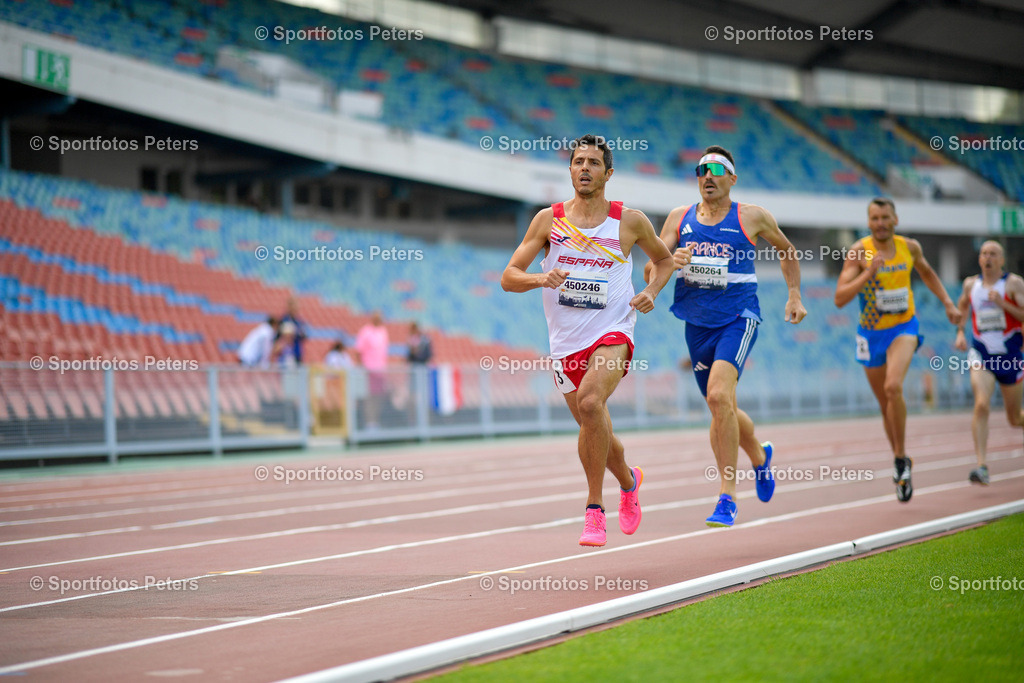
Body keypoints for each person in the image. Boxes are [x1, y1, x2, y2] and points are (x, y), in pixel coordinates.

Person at [501, 133, 675, 547]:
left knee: (591, 403)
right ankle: (630, 481)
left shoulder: (629, 221)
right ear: (570, 169)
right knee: (591, 424)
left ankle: (594, 510)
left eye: (593, 163)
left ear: (608, 173)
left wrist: (650, 292)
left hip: (613, 329)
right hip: (565, 342)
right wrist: (540, 277)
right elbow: (508, 276)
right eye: (578, 161)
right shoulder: (549, 220)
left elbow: (664, 260)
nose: (584, 168)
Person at [646, 145, 806, 528]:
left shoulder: (751, 216)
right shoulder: (678, 218)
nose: (708, 175)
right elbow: (653, 267)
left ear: (732, 179)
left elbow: (787, 250)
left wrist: (795, 295)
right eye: (702, 169)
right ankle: (759, 455)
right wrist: (669, 263)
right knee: (723, 407)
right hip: (695, 322)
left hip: (739, 316)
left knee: (718, 397)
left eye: (717, 169)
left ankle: (726, 497)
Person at [834, 197, 961, 502]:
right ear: (869, 222)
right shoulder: (859, 251)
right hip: (870, 333)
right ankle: (899, 459)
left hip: (904, 327)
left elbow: (927, 272)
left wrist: (947, 302)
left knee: (893, 387)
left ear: (895, 220)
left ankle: (901, 458)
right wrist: (868, 272)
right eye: (874, 218)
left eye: (885, 217)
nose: (880, 223)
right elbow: (839, 297)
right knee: (885, 405)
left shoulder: (910, 247)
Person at [953, 241, 1024, 485]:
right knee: (981, 404)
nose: (987, 258)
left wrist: (1003, 304)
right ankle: (982, 466)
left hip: (1011, 355)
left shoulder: (1013, 284)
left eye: (993, 254)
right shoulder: (971, 284)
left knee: (1014, 419)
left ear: (1002, 260)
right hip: (981, 353)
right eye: (984, 253)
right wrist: (960, 332)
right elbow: (962, 307)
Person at [354, 311, 390, 429]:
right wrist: (362, 367)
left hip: (380, 370)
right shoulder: (365, 331)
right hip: (368, 370)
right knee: (369, 397)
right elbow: (358, 351)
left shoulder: (383, 332)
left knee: (378, 397)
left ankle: (376, 421)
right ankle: (369, 422)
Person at [280, 296, 308, 364]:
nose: (296, 308)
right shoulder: (284, 320)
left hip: (297, 353)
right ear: (289, 307)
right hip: (286, 354)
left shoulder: (299, 321)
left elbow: (305, 336)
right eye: (294, 306)